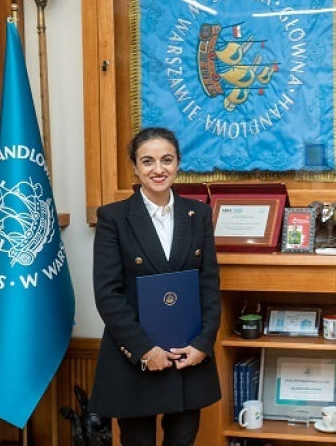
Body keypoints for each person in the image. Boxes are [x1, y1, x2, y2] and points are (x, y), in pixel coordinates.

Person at [89, 127, 221, 446]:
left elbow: (209, 286)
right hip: (136, 358)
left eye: (167, 160)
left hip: (187, 356)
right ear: (135, 167)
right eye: (147, 161)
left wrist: (203, 345)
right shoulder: (113, 218)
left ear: (178, 163)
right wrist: (145, 350)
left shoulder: (199, 213)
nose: (158, 169)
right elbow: (107, 294)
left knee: (183, 440)